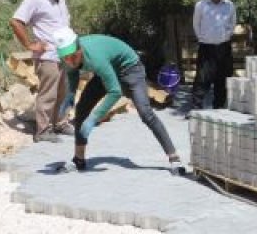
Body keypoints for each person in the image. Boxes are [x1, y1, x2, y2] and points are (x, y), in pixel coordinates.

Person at [53, 28, 186, 176]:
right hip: (108, 69)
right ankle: (79, 159)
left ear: (79, 47)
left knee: (145, 112)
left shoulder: (95, 57)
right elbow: (72, 73)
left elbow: (115, 92)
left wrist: (93, 119)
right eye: (66, 58)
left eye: (73, 56)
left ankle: (174, 158)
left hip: (130, 69)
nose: (70, 61)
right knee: (82, 108)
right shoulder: (68, 57)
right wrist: (70, 95)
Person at [9, 0, 74, 142]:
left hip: (65, 52)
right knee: (48, 93)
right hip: (48, 55)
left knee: (64, 91)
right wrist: (29, 44)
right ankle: (43, 130)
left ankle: (61, 123)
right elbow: (16, 21)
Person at [191, 0, 237, 111]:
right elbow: (196, 24)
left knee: (222, 77)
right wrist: (203, 38)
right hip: (206, 47)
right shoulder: (201, 5)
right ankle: (196, 108)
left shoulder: (229, 5)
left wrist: (225, 36)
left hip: (224, 47)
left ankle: (219, 107)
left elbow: (232, 23)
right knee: (202, 78)